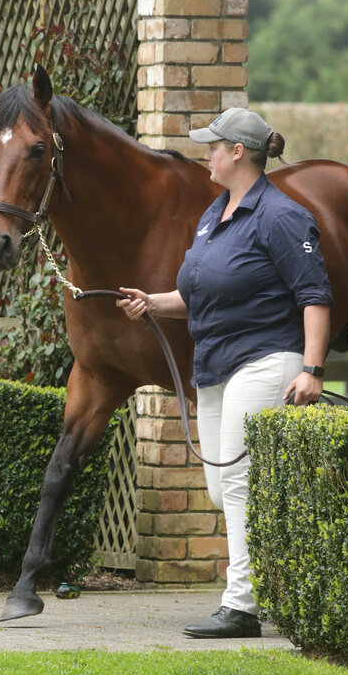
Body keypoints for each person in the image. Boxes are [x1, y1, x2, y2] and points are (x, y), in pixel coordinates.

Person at [117, 107, 333, 638]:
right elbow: (197, 294)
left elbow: (315, 296)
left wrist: (311, 368)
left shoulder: (282, 217)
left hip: (265, 361)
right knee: (221, 488)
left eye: (213, 146)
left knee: (236, 482)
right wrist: (153, 302)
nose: (205, 153)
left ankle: (241, 606)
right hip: (214, 366)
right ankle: (291, 581)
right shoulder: (216, 214)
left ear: (239, 152)